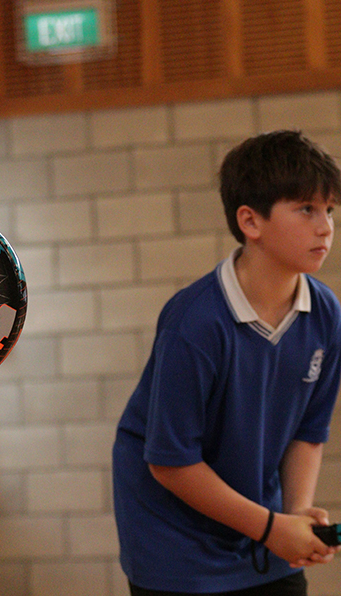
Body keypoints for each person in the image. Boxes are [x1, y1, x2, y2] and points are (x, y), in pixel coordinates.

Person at [112, 130, 341, 595]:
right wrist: (272, 527)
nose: (325, 227)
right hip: (175, 547)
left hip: (261, 531)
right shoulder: (195, 323)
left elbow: (307, 433)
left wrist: (295, 514)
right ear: (250, 222)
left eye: (330, 210)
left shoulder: (327, 313)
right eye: (306, 210)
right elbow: (171, 464)